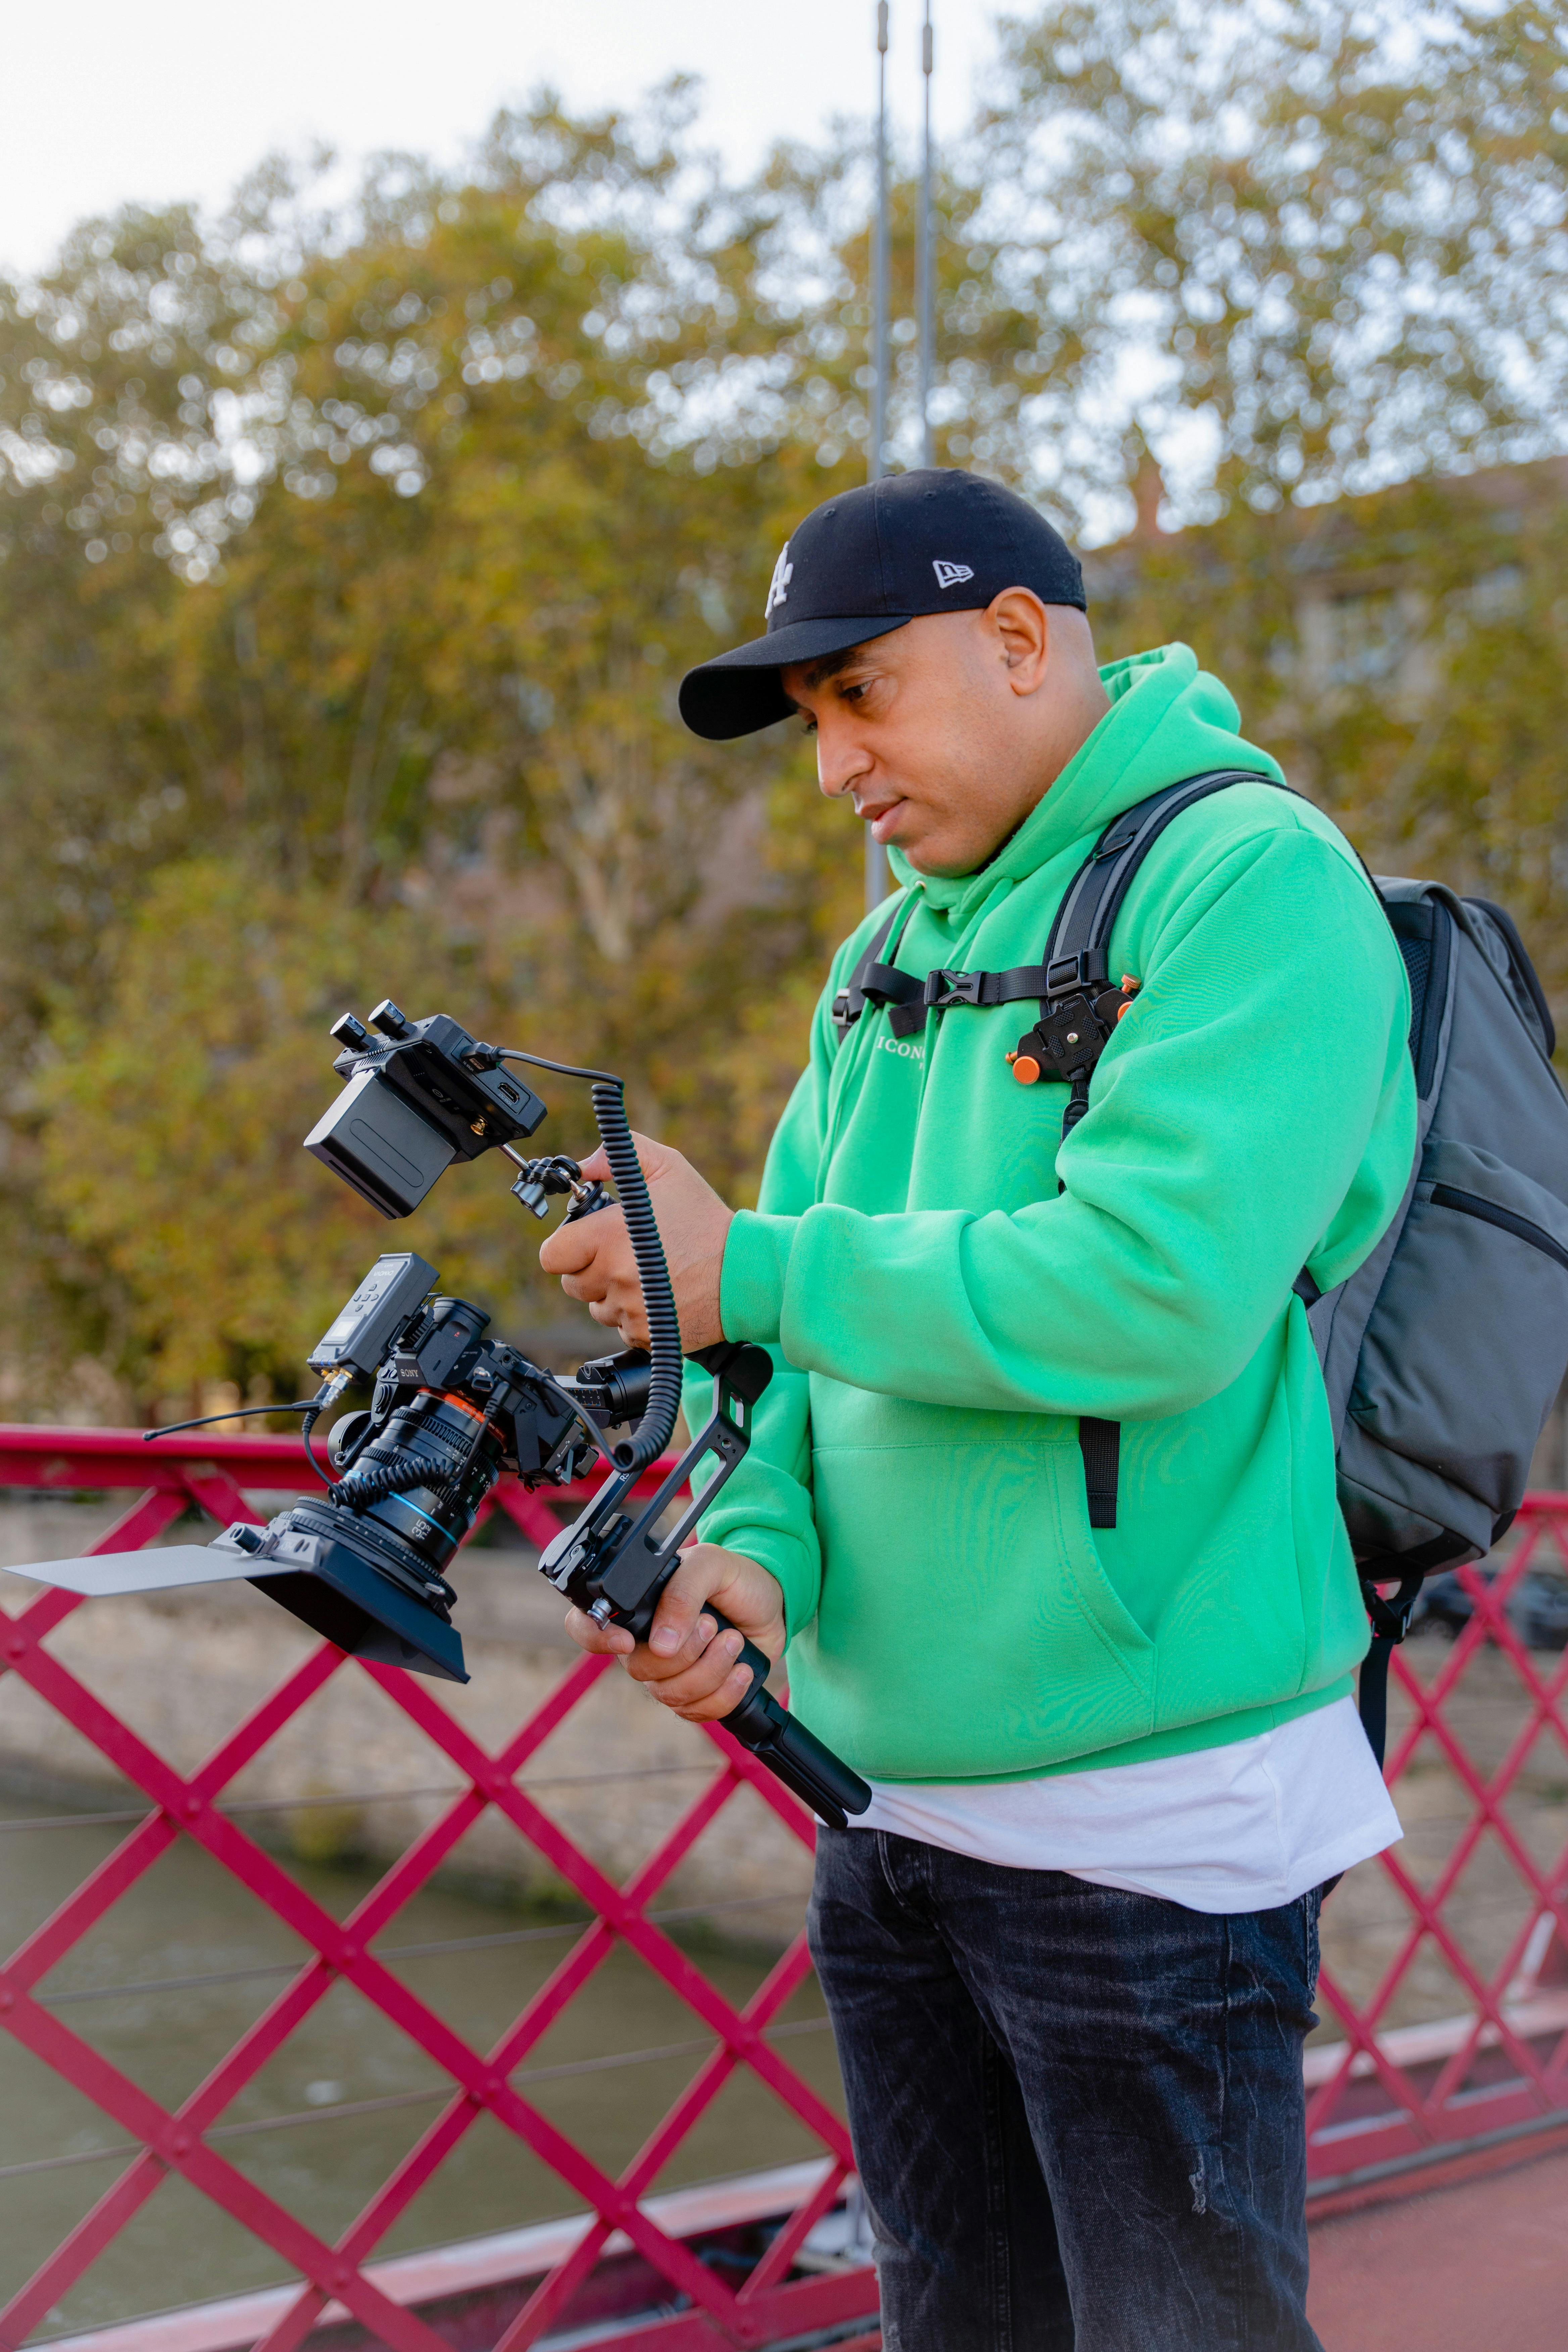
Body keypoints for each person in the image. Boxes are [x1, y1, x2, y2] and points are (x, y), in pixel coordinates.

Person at [539, 468, 1413, 2351]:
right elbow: (783, 1360)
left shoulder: (1256, 876)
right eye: (811, 721)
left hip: (1152, 1821)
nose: (836, 760)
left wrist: (746, 1267)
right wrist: (755, 1557)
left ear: (1020, 641)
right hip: (885, 1804)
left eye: (863, 693)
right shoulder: (879, 962)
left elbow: (1157, 1295)